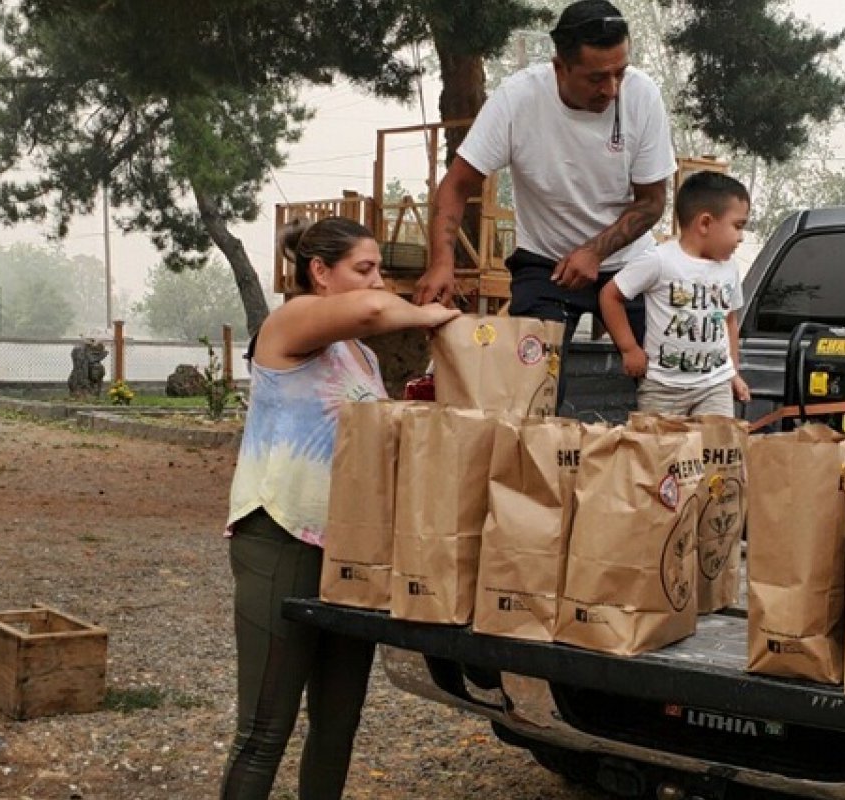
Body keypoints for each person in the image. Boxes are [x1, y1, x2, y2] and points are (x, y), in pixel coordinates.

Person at [220, 216, 459, 800]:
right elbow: (377, 312)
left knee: (337, 725)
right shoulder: (289, 321)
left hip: (350, 552)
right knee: (263, 729)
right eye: (365, 269)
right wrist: (431, 313)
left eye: (380, 269)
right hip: (279, 535)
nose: (378, 282)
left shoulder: (363, 360)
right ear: (320, 273)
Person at [414, 0, 677, 352]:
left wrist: (594, 252)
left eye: (620, 73)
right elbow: (457, 185)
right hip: (546, 264)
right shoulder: (517, 98)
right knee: (533, 381)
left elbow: (652, 202)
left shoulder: (643, 96)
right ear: (560, 67)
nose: (612, 90)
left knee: (659, 376)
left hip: (629, 262)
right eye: (597, 78)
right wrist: (441, 263)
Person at [599, 170, 752, 416]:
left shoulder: (730, 268)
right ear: (705, 223)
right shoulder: (660, 260)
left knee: (717, 450)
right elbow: (610, 295)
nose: (741, 237)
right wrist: (629, 348)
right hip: (663, 389)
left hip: (714, 386)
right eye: (738, 226)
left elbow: (730, 320)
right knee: (661, 452)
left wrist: (733, 373)